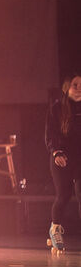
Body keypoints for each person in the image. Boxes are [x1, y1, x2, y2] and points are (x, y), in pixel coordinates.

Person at [45, 71, 81, 253]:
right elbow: (51, 134)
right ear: (67, 87)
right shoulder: (57, 108)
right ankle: (55, 228)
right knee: (64, 195)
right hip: (62, 158)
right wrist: (56, 152)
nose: (79, 89)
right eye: (75, 85)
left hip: (79, 157)